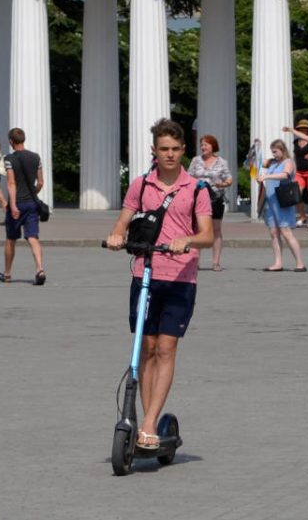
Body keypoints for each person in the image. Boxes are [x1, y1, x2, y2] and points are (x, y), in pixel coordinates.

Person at [105, 118, 213, 450]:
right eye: (163, 149)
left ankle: (150, 422)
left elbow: (207, 235)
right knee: (146, 348)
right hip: (146, 273)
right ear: (154, 150)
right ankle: (143, 422)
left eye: (175, 149)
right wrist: (116, 235)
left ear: (183, 150)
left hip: (181, 276)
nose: (169, 155)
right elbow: (123, 220)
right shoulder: (140, 185)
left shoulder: (196, 188)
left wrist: (188, 239)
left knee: (166, 348)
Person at [0, 127, 47, 285]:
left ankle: (7, 273)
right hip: (32, 203)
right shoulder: (35, 157)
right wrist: (33, 192)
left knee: (11, 239)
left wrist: (12, 205)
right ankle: (39, 269)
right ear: (23, 139)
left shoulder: (9, 158)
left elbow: (11, 183)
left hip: (17, 203)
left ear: (11, 141)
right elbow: (41, 183)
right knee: (33, 237)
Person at [257, 139, 306, 272]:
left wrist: (266, 177)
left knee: (286, 232)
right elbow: (257, 161)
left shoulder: (288, 162)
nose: (274, 154)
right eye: (272, 152)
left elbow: (285, 175)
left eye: (276, 152)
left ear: (283, 150)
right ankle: (278, 263)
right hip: (271, 201)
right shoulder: (272, 162)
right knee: (273, 232)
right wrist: (257, 149)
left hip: (283, 201)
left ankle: (300, 263)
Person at [188, 134, 233, 271]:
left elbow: (229, 179)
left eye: (206, 144)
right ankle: (195, 261)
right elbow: (188, 176)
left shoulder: (222, 162)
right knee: (198, 229)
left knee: (216, 230)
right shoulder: (196, 160)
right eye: (202, 145)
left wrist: (222, 184)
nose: (203, 147)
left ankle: (216, 262)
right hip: (199, 199)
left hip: (215, 198)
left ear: (213, 146)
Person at [289, 119, 308, 227]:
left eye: (304, 129)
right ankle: (302, 216)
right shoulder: (295, 142)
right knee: (296, 194)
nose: (303, 130)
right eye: (300, 129)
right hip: (299, 172)